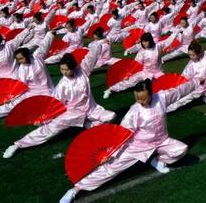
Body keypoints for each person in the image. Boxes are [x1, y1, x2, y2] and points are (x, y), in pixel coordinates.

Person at [59, 79, 198, 203]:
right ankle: (76, 189)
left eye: (143, 98)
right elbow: (121, 134)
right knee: (110, 169)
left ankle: (157, 161)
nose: (140, 101)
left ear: (151, 94)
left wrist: (197, 82)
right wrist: (110, 153)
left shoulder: (162, 97)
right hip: (137, 146)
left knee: (181, 149)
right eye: (137, 98)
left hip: (162, 140)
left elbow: (180, 91)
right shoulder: (134, 111)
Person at [2, 43, 115, 158]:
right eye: (62, 69)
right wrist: (44, 118)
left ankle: (87, 123)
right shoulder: (62, 85)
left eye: (66, 70)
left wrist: (99, 44)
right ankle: (18, 145)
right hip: (72, 112)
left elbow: (92, 56)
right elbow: (54, 103)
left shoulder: (83, 71)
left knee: (111, 116)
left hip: (91, 109)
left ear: (74, 68)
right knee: (49, 130)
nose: (64, 72)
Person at [0, 32, 56, 123]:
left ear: (27, 55)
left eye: (22, 58)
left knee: (49, 108)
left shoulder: (37, 57)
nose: (21, 61)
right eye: (18, 59)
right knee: (12, 105)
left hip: (47, 91)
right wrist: (12, 97)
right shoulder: (21, 69)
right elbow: (21, 85)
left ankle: (44, 121)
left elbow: (45, 45)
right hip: (30, 91)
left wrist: (50, 34)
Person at [103, 31, 179, 99]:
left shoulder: (157, 46)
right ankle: (110, 90)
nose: (144, 43)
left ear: (150, 41)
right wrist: (128, 74)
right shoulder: (142, 52)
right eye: (143, 41)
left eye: (146, 41)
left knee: (167, 84)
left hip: (157, 72)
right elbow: (135, 64)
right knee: (129, 81)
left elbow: (167, 42)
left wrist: (176, 32)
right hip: (145, 72)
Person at [167, 40, 206, 111]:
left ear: (198, 54)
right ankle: (165, 109)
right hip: (195, 89)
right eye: (189, 55)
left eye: (193, 55)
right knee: (181, 101)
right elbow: (183, 79)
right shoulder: (190, 66)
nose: (191, 57)